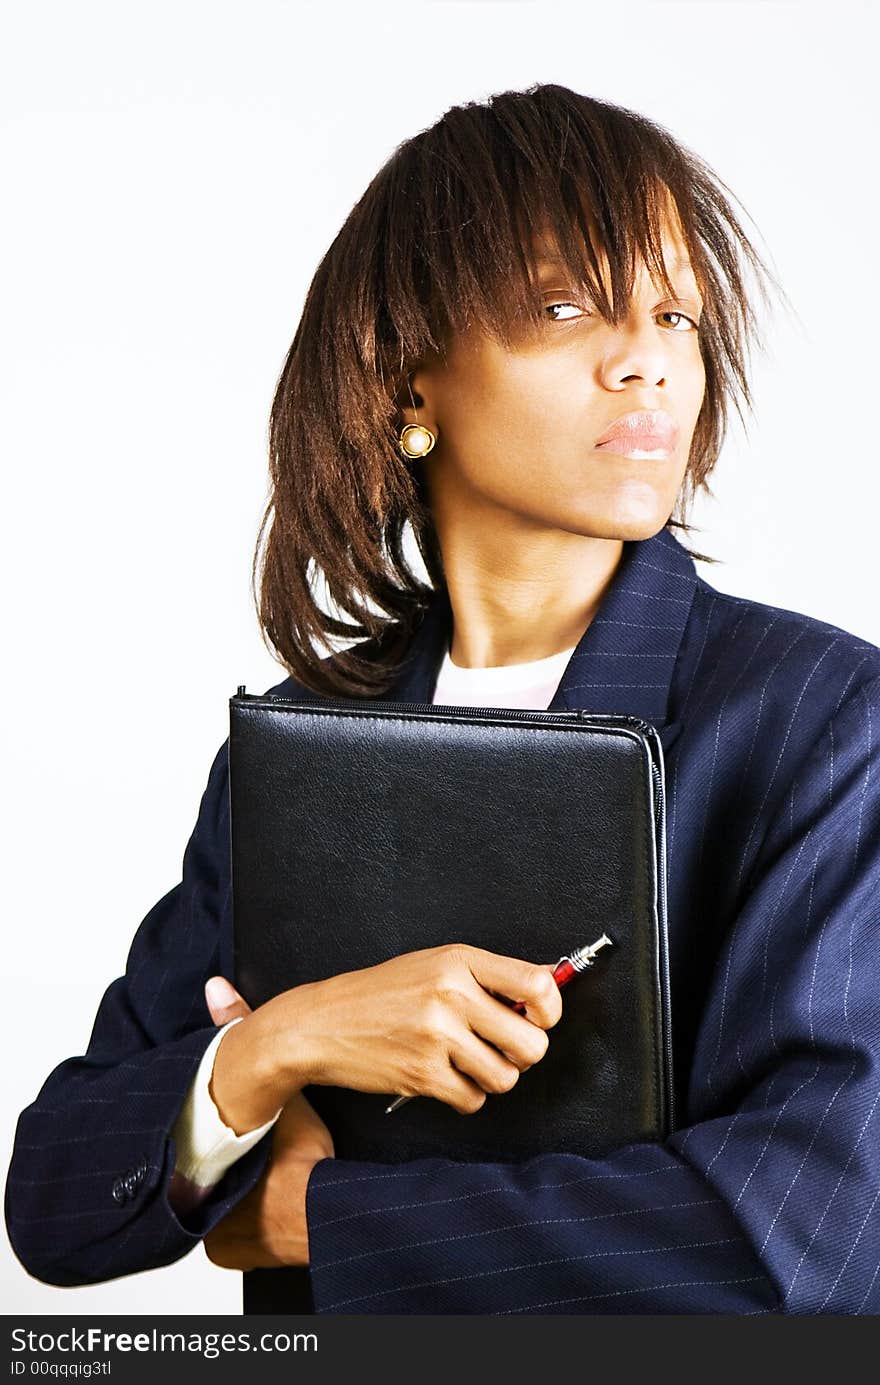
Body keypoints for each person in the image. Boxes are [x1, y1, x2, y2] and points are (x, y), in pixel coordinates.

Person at [6, 83, 880, 1316]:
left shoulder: (823, 721)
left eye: (676, 313)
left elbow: (823, 1232)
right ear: (409, 380)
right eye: (566, 305)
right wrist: (273, 1046)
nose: (647, 359)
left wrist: (325, 1217)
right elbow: (51, 1196)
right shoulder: (296, 747)